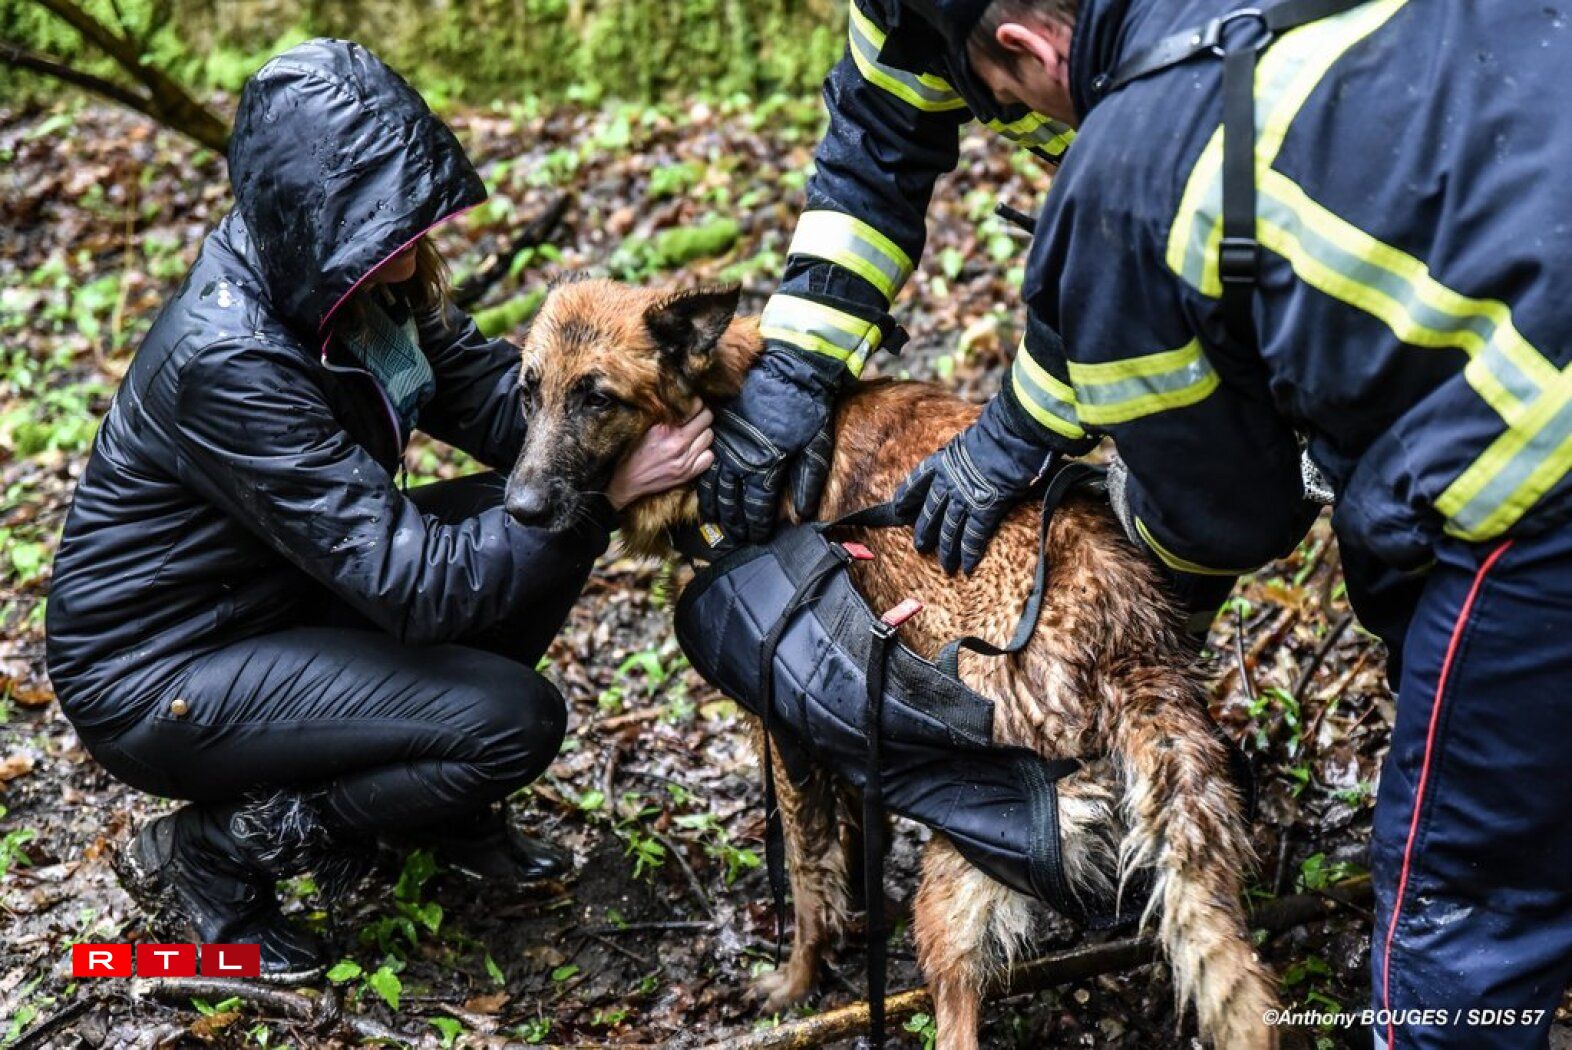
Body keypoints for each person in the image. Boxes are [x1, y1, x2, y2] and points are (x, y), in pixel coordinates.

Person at [703, 1, 1572, 1047]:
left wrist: (1109, 574)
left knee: (1463, 891)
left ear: (1025, 48)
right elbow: (869, 158)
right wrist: (798, 366)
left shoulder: (1129, 174)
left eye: (1003, 101)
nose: (1012, 125)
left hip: (1537, 481)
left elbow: (1228, 514)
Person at [44, 39, 714, 982]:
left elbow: (491, 398)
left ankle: (426, 813)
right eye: (381, 217)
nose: (410, 238)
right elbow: (417, 589)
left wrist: (622, 416)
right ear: (315, 213)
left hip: (274, 598)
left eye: (412, 207)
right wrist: (607, 492)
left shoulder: (356, 286)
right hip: (159, 673)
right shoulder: (230, 360)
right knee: (513, 720)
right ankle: (226, 848)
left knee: (528, 500)